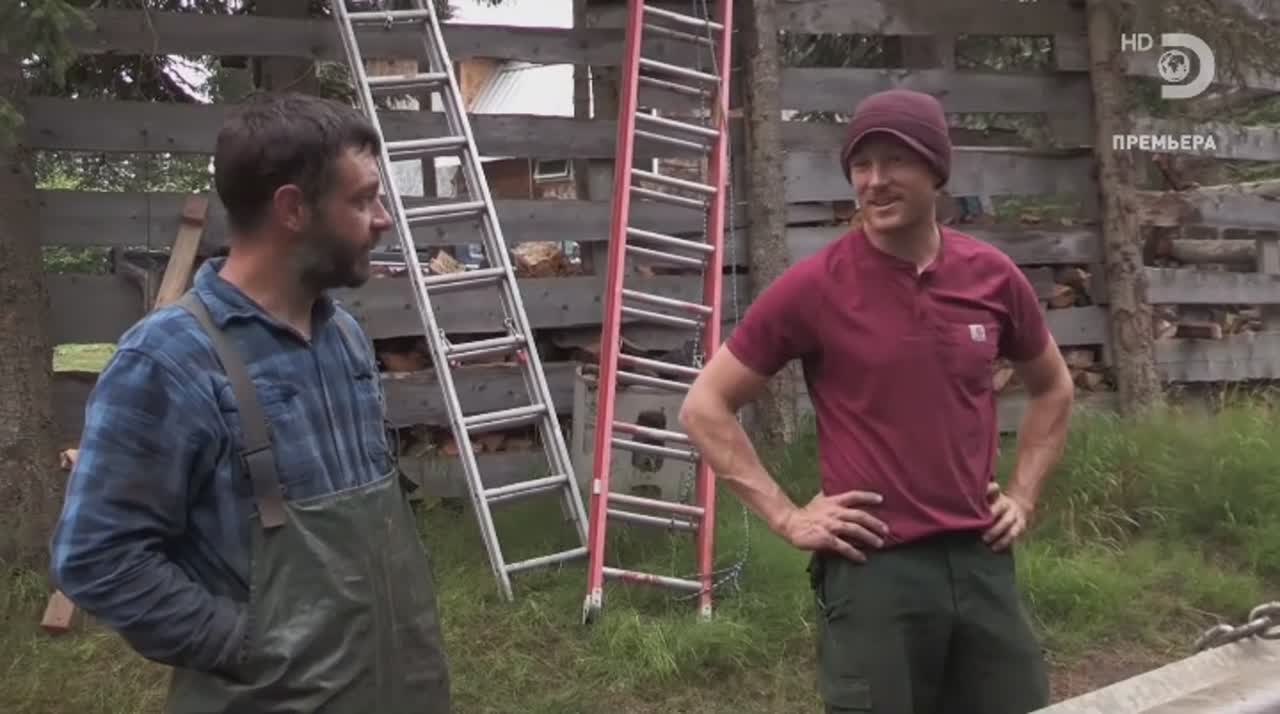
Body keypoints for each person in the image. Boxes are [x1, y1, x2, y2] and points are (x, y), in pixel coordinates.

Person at [49, 92, 452, 713]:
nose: (382, 220)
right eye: (361, 200)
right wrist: (248, 646)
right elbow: (99, 557)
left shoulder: (342, 335)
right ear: (292, 209)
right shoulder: (168, 361)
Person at [679, 88, 1075, 714]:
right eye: (861, 165)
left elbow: (1053, 386)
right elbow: (704, 405)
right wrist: (788, 517)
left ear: (936, 170)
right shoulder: (816, 286)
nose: (875, 180)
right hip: (874, 572)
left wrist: (1023, 496)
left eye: (896, 161)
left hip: (981, 560)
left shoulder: (993, 277)